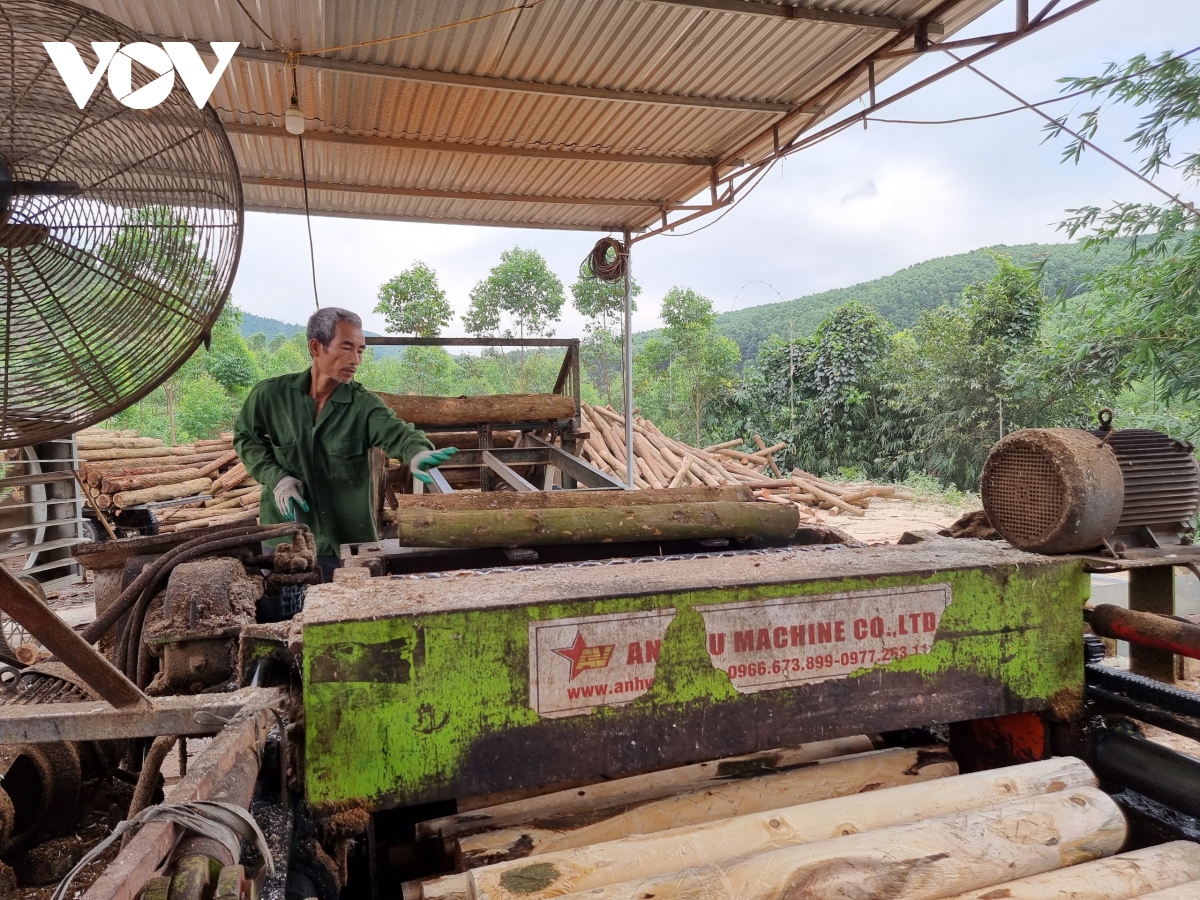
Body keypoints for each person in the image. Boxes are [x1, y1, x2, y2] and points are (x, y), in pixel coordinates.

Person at [234, 307, 456, 581]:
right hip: (286, 538)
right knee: (286, 612)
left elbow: (398, 433)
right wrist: (277, 477)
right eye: (347, 348)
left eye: (361, 350)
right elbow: (246, 438)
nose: (356, 359)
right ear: (316, 347)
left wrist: (417, 452)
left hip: (347, 542)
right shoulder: (271, 396)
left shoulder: (363, 406)